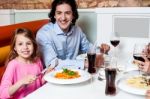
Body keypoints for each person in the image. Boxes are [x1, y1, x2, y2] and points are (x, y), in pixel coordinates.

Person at [36, 0, 110, 69]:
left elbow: (89, 49)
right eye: (59, 13)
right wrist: (84, 64)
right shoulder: (43, 34)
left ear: (73, 15)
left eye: (67, 13)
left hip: (75, 74)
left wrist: (102, 50)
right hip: (52, 77)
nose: (63, 18)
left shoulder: (77, 30)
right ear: (54, 15)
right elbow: (51, 63)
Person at [0, 28, 45, 99]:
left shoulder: (37, 61)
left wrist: (47, 75)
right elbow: (2, 93)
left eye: (28, 43)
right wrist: (21, 82)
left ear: (33, 45)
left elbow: (40, 83)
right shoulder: (13, 65)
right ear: (15, 47)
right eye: (20, 44)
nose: (25, 47)